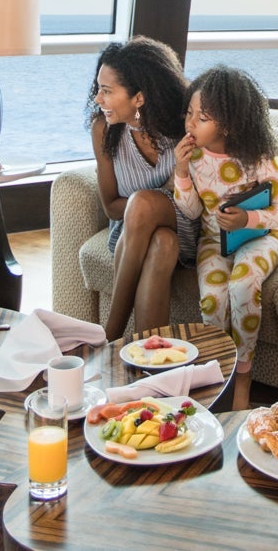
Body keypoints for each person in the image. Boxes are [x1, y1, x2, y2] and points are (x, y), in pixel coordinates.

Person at [171, 64, 278, 410]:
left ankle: (243, 376)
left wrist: (247, 218)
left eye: (202, 118)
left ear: (227, 124)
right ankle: (217, 373)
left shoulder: (255, 157)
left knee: (242, 285)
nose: (190, 123)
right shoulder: (193, 158)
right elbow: (191, 212)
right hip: (214, 240)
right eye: (189, 113)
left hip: (259, 237)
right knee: (212, 299)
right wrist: (181, 172)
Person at [87, 37, 194, 341]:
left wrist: (150, 203)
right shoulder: (103, 130)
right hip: (128, 233)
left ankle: (109, 338)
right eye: (98, 89)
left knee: (144, 205)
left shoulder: (184, 128)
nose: (98, 99)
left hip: (188, 224)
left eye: (107, 91)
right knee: (162, 242)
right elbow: (111, 206)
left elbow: (198, 199)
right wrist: (151, 202)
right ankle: (147, 358)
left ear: (139, 98)